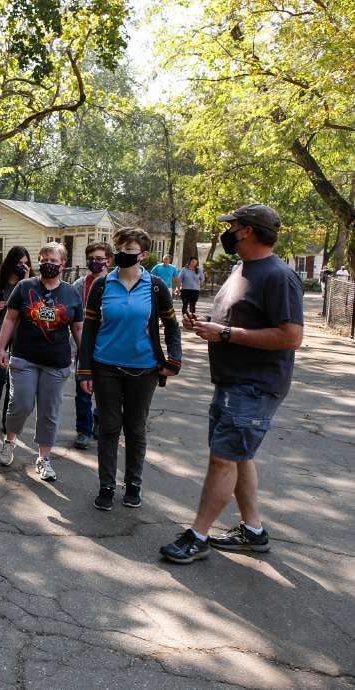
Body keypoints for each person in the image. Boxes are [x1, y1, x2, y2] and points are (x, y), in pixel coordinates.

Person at [159, 204, 303, 564]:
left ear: (249, 231)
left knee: (222, 460)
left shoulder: (278, 275)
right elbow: (238, 320)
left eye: (233, 226)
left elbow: (291, 336)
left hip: (254, 385)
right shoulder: (243, 268)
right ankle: (253, 531)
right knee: (237, 457)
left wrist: (225, 333)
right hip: (232, 381)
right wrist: (207, 324)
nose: (227, 232)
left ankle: (198, 535)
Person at [77, 228, 183, 511]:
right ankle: (106, 486)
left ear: (144, 255)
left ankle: (133, 484)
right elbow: (89, 330)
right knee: (109, 428)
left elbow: (172, 327)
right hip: (105, 366)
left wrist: (174, 361)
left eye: (130, 250)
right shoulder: (102, 285)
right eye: (120, 248)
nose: (123, 254)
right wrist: (84, 370)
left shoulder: (157, 286)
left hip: (144, 369)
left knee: (135, 429)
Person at [0, 242, 84, 481]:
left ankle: (43, 459)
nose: (48, 264)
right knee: (21, 404)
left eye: (53, 261)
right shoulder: (25, 287)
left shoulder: (71, 293)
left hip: (56, 362)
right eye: (44, 259)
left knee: (49, 411)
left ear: (62, 265)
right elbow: (10, 319)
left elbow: (77, 328)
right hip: (25, 357)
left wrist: (85, 362)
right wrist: (1, 348)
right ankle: (10, 441)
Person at [0, 247, 34, 435]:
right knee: (0, 376)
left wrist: (27, 279)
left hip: (20, 336)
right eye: (19, 263)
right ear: (11, 262)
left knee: (13, 379)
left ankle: (7, 419)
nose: (22, 266)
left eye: (25, 263)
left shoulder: (30, 284)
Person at [70, 242, 113, 449]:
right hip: (85, 345)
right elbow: (73, 318)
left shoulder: (115, 284)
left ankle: (99, 420)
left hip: (110, 346)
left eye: (99, 258)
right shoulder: (80, 285)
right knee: (83, 390)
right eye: (91, 258)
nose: (95, 262)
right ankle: (83, 430)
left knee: (106, 390)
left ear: (108, 260)